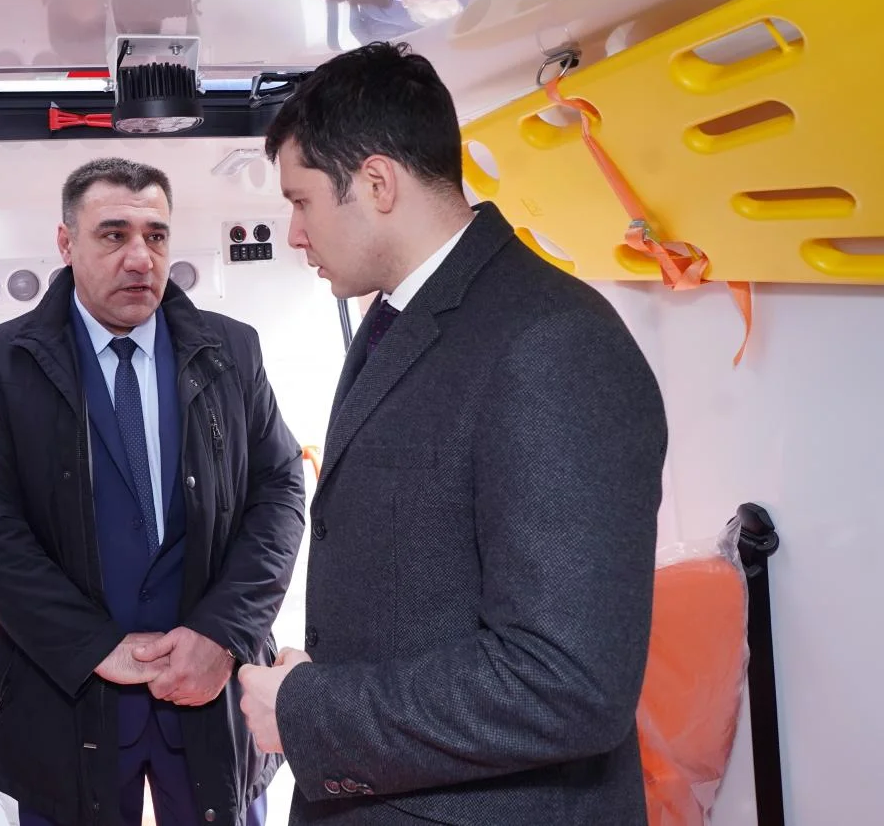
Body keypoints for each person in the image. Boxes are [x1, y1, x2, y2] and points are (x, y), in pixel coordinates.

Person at [237, 42, 668, 825]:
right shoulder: (396, 317)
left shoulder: (553, 342)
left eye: (302, 201)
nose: (295, 233)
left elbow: (566, 683)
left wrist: (309, 709)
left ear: (376, 183)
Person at [0, 157, 306, 826]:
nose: (140, 257)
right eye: (113, 234)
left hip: (208, 689)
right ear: (66, 243)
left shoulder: (232, 351)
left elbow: (280, 492)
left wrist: (222, 632)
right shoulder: (0, 364)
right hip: (69, 695)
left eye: (156, 235)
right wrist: (92, 647)